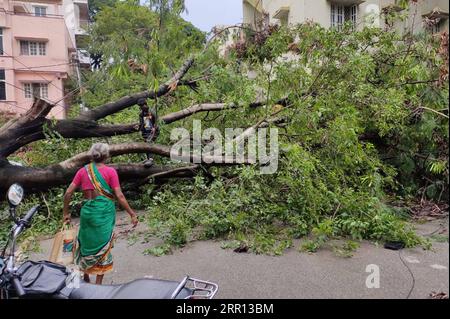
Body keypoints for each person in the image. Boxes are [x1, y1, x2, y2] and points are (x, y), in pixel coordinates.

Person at [63, 143, 138, 285]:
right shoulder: (110, 172)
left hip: (87, 213)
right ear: (106, 155)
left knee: (86, 244)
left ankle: (85, 275)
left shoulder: (82, 171)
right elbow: (119, 196)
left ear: (92, 155)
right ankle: (97, 285)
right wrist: (132, 214)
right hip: (103, 214)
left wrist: (66, 213)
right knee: (103, 246)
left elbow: (68, 192)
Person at [138, 98, 158, 167]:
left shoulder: (151, 112)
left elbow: (157, 121)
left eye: (143, 106)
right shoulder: (141, 114)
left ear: (146, 104)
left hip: (153, 131)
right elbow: (141, 123)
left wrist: (154, 128)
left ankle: (151, 159)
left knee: (149, 142)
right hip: (145, 131)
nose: (142, 108)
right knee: (145, 143)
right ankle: (148, 158)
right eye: (141, 107)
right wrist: (140, 130)